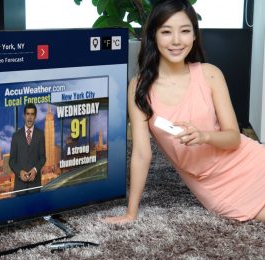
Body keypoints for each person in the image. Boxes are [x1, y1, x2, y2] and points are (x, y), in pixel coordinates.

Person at [104, 0, 265, 224]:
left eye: (185, 31)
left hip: (250, 161)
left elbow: (233, 138)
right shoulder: (139, 87)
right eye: (166, 32)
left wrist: (204, 136)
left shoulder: (210, 74)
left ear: (194, 36)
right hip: (213, 186)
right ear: (153, 36)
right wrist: (131, 213)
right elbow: (142, 154)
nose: (177, 41)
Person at [9, 103, 46, 195]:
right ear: (24, 116)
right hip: (20, 187)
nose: (29, 117)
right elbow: (11, 161)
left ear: (35, 116)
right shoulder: (16, 136)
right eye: (27, 114)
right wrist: (19, 172)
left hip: (35, 186)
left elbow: (43, 158)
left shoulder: (40, 135)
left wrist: (35, 170)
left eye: (32, 114)